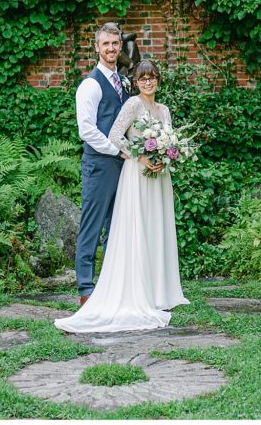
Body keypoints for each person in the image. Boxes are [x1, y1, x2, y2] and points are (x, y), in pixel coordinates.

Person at [56, 59, 189, 333]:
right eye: (143, 78)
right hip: (137, 173)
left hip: (159, 177)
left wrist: (167, 156)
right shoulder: (131, 103)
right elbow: (116, 134)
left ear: (158, 80)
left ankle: (158, 291)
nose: (148, 82)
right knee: (134, 228)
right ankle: (96, 289)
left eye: (152, 77)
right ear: (137, 82)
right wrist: (139, 156)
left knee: (156, 229)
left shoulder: (164, 109)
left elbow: (170, 139)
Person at [73, 22, 130, 307]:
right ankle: (86, 289)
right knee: (92, 226)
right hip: (100, 164)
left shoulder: (123, 83)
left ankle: (109, 285)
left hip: (123, 166)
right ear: (96, 47)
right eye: (105, 44)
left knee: (116, 225)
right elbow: (87, 129)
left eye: (115, 43)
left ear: (120, 47)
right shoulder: (91, 85)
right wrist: (115, 150)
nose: (110, 48)